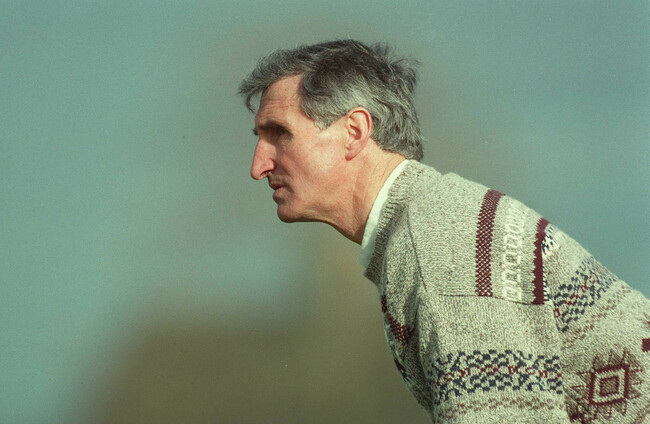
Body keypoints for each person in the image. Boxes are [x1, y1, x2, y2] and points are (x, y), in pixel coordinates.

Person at [238, 40, 649, 423]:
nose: (259, 166)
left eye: (280, 134)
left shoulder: (442, 243)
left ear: (355, 132)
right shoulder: (436, 222)